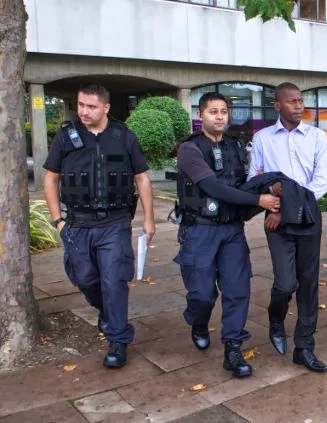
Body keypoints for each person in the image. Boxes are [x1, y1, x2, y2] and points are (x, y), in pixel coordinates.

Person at [43, 84, 155, 369]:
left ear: (106, 107)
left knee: (114, 280)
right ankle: (107, 310)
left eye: (91, 106)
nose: (84, 111)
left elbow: (141, 178)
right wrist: (57, 220)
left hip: (114, 222)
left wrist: (149, 219)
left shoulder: (124, 136)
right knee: (84, 278)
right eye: (81, 105)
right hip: (77, 223)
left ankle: (118, 339)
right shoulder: (66, 137)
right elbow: (51, 177)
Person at [173, 92, 280, 378]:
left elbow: (243, 183)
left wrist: (270, 186)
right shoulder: (189, 149)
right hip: (199, 230)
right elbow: (214, 188)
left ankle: (233, 348)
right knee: (202, 295)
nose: (219, 117)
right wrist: (258, 201)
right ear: (200, 116)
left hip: (231, 230)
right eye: (213, 112)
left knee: (237, 289)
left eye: (223, 111)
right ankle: (198, 322)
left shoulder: (235, 146)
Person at [248, 82, 327, 373]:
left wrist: (285, 205)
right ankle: (276, 317)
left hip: (306, 218)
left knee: (308, 284)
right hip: (275, 220)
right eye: (292, 101)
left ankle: (304, 347)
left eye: (300, 101)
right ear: (277, 106)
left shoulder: (317, 137)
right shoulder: (262, 138)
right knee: (286, 283)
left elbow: (320, 183)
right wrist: (274, 199)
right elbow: (255, 180)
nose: (299, 106)